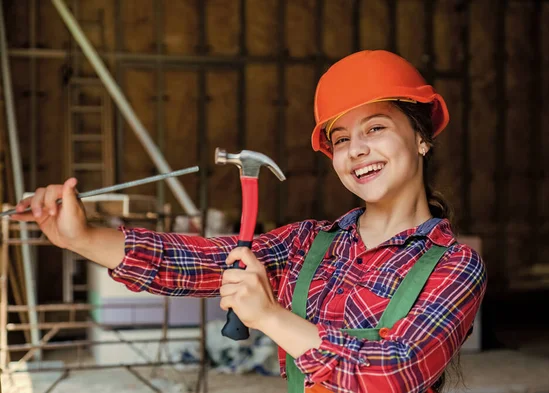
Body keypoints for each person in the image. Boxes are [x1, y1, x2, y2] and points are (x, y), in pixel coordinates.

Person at [12, 50, 487, 393]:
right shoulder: (309, 244)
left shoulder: (456, 267)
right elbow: (199, 261)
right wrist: (82, 237)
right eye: (340, 138)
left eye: (376, 128)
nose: (356, 149)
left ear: (421, 137)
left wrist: (269, 318)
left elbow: (395, 370)